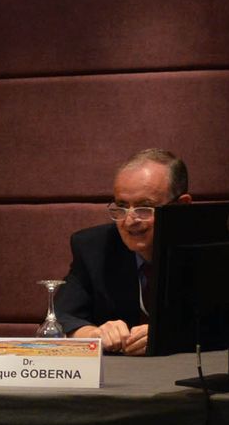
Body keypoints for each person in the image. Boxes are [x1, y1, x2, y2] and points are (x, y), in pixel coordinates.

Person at [56, 148, 192, 355]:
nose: (129, 221)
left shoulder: (214, 250)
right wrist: (93, 334)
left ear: (182, 206)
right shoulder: (94, 247)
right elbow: (61, 318)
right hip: (122, 378)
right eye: (121, 206)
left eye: (145, 207)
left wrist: (171, 336)